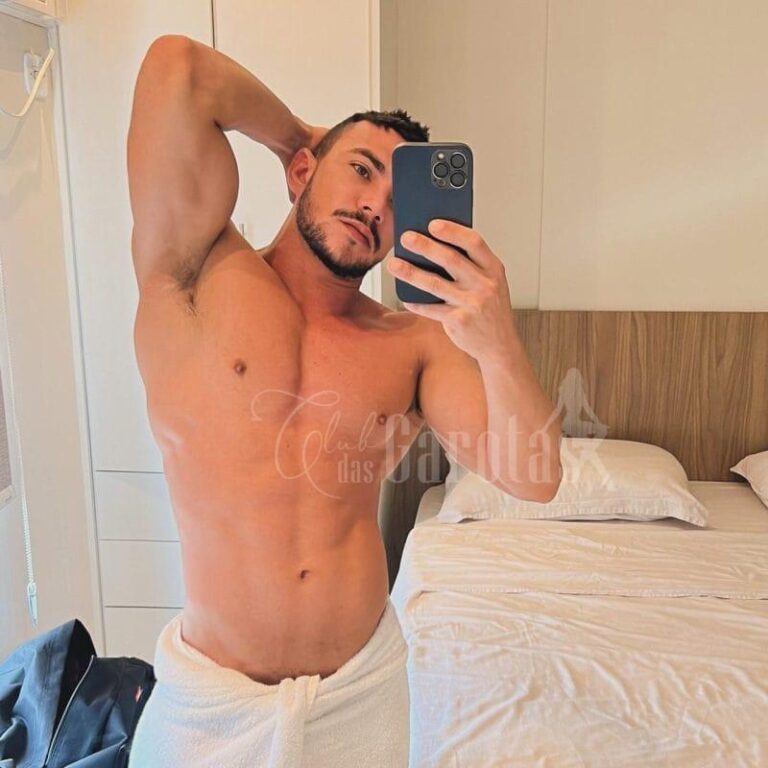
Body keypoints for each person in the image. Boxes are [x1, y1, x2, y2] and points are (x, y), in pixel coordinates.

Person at [126, 34, 562, 768]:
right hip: (209, 705)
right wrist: (298, 136)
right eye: (360, 170)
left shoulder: (414, 343)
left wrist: (497, 340)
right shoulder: (192, 270)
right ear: (303, 172)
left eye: (397, 199)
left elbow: (535, 477)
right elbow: (179, 69)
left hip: (360, 697)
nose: (372, 205)